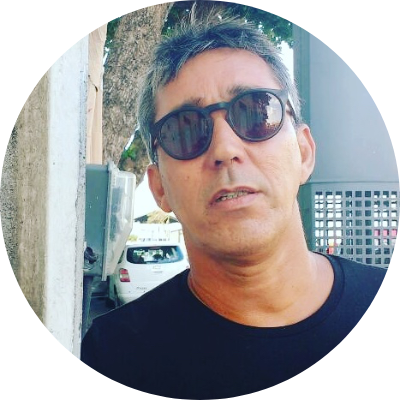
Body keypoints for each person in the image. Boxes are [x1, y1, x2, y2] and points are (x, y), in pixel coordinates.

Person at [81, 8, 387, 398]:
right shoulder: (115, 356)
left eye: (256, 112)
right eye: (185, 130)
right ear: (159, 188)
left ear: (304, 152)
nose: (225, 149)